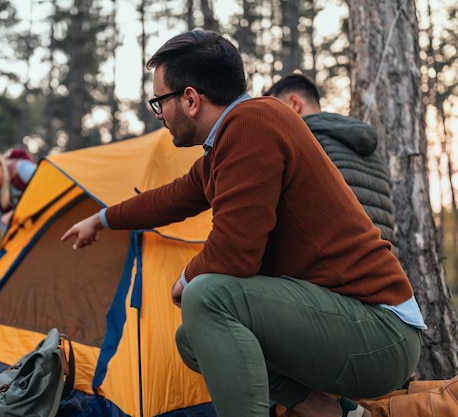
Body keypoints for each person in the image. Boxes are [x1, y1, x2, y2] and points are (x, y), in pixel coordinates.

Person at [61, 30, 426, 417]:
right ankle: (329, 410)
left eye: (159, 101)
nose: (159, 114)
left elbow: (235, 254)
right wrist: (100, 219)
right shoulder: (232, 140)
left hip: (382, 331)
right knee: (192, 338)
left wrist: (186, 278)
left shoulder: (253, 123)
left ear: (189, 99)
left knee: (206, 295)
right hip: (351, 325)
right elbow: (169, 199)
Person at [264, 73, 397, 246]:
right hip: (386, 264)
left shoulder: (302, 144)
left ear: (294, 104)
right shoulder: (370, 152)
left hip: (337, 266)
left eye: (274, 112)